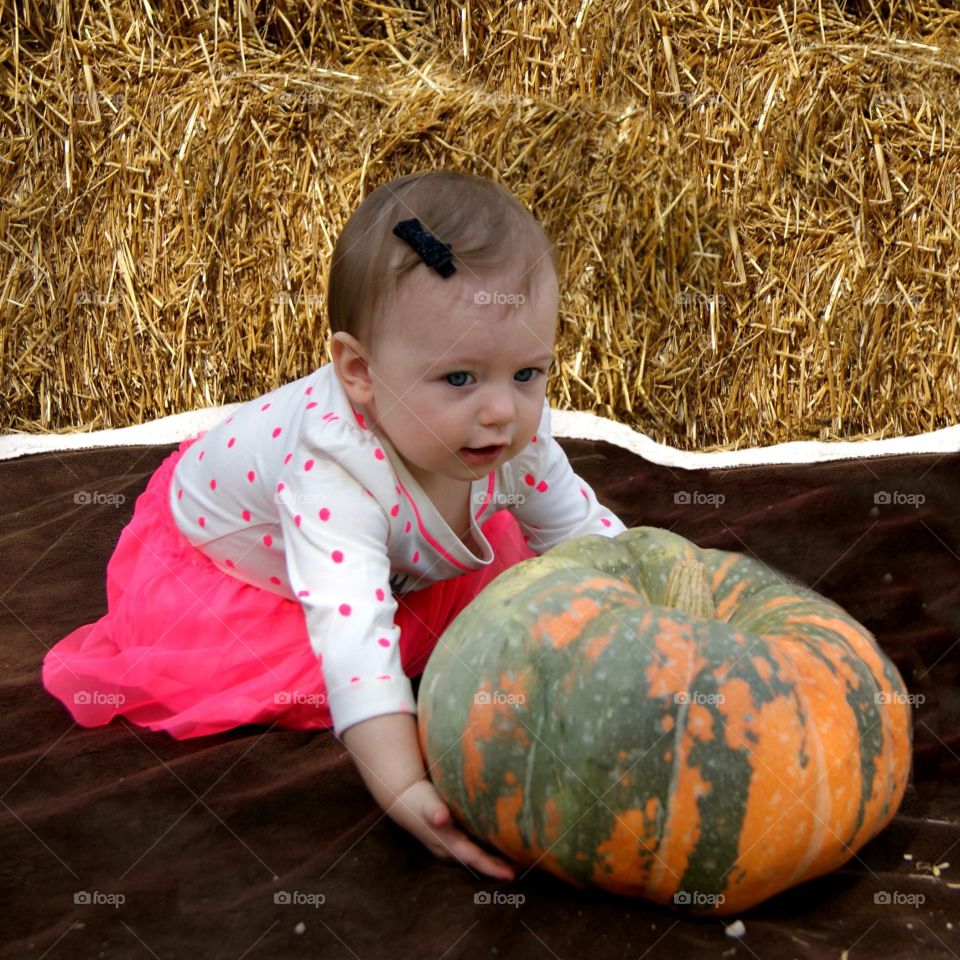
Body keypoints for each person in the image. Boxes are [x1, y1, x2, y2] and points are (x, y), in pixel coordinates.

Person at [43, 170, 627, 879]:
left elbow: (589, 539)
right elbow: (352, 636)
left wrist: (666, 615)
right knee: (336, 648)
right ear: (359, 370)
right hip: (237, 559)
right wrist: (404, 784)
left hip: (390, 539)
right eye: (460, 379)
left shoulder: (512, 442)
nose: (503, 411)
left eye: (528, 373)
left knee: (508, 570)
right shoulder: (332, 476)